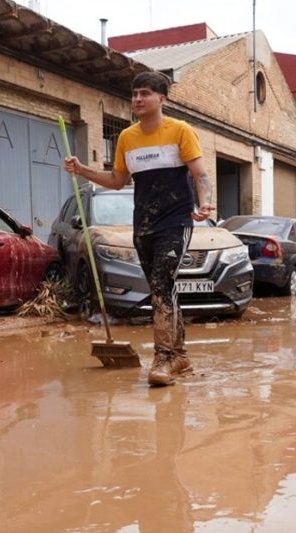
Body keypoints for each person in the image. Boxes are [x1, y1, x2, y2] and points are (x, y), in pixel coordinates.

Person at [64, 71, 214, 386]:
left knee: (160, 284)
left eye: (145, 93)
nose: (138, 99)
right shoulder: (127, 138)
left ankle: (163, 358)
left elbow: (200, 173)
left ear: (163, 98)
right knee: (164, 288)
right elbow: (117, 181)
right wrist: (83, 170)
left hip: (175, 222)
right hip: (143, 224)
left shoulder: (180, 131)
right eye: (134, 94)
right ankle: (181, 355)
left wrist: (206, 204)